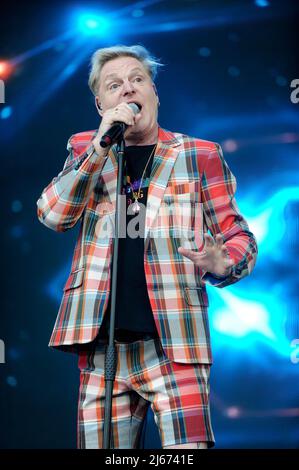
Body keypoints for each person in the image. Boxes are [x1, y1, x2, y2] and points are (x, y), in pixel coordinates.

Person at [37, 45, 258, 449]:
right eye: (114, 84)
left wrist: (222, 260)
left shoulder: (199, 154)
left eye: (138, 79)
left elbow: (240, 236)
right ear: (101, 103)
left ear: (154, 93)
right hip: (102, 345)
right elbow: (53, 215)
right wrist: (99, 148)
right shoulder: (86, 147)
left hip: (175, 342)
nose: (127, 90)